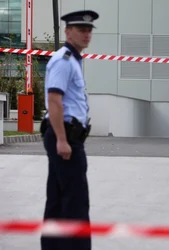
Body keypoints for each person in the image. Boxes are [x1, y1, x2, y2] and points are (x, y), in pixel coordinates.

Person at [39, 10, 98, 250]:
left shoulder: (72, 60)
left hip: (65, 134)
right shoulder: (64, 61)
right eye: (80, 29)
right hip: (65, 136)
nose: (86, 34)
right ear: (67, 31)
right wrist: (62, 141)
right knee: (76, 201)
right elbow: (55, 100)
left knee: (57, 198)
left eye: (89, 30)